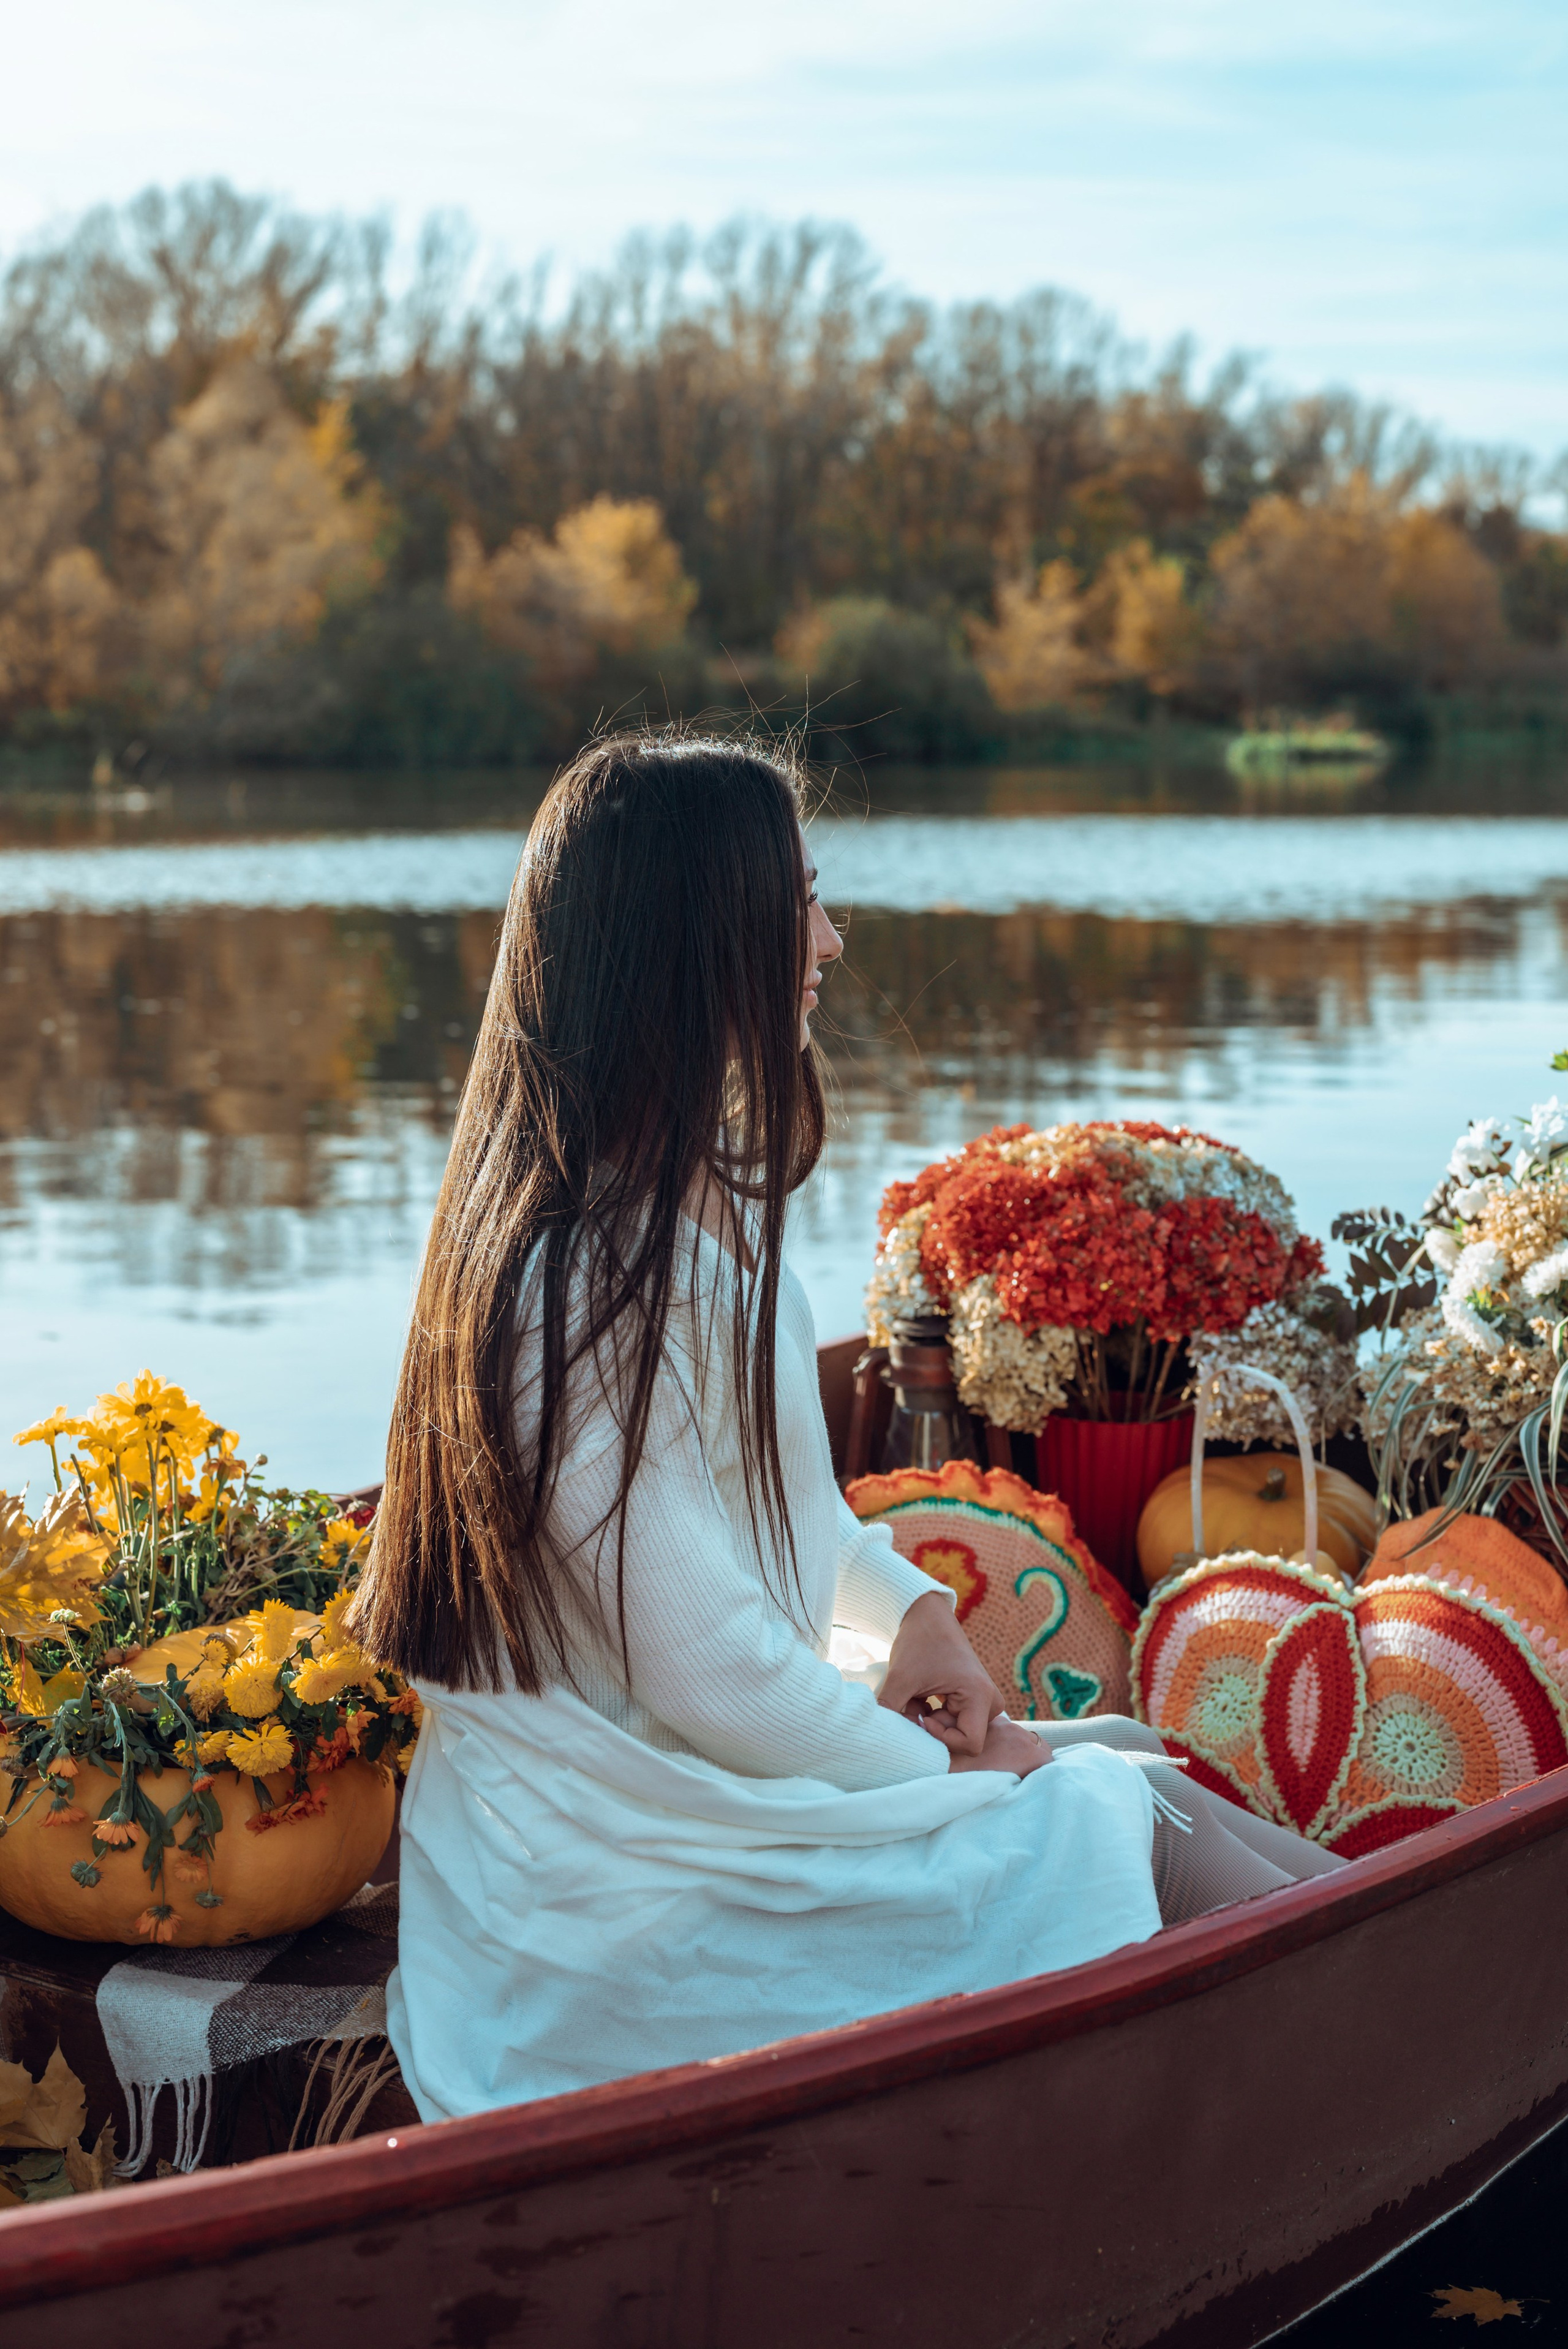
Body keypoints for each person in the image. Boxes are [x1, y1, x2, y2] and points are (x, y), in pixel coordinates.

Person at [355, 733, 1342, 2124]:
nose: (828, 935)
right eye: (798, 900)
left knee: (1122, 1759)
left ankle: (1434, 1998)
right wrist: (935, 1764)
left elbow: (793, 1520)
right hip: (609, 1871)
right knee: (1106, 1816)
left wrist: (912, 1611)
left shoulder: (688, 1223)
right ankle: (1427, 2029)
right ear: (696, 941)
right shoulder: (571, 1286)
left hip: (688, 1792)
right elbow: (706, 1666)